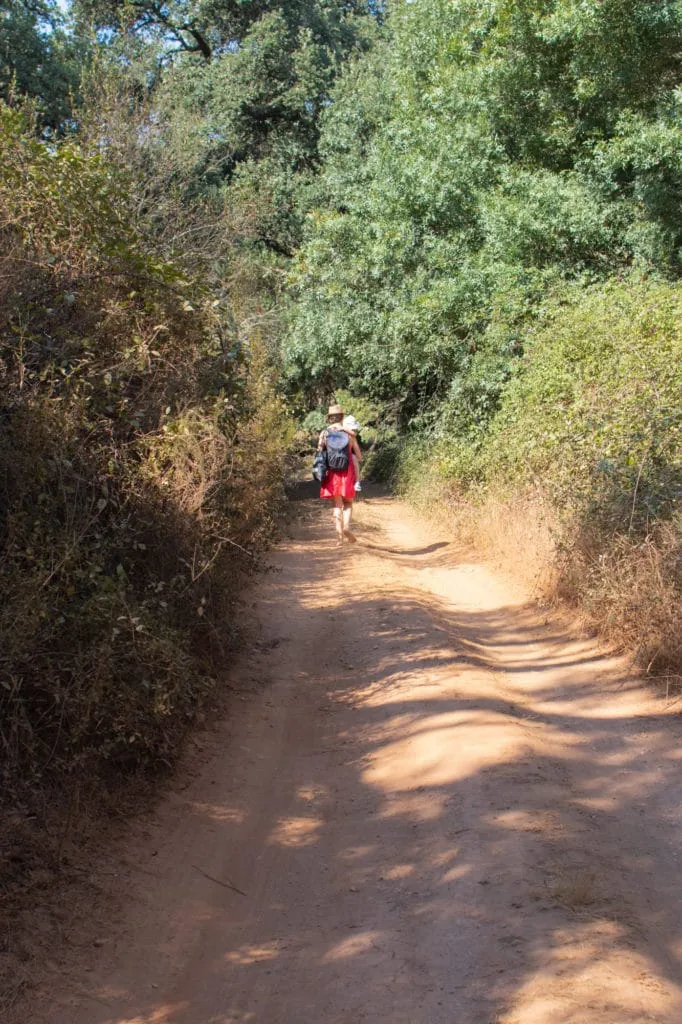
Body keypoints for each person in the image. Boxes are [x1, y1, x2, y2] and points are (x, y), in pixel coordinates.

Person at [317, 404, 362, 545]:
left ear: (329, 418)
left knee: (337, 505)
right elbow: (359, 456)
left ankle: (339, 539)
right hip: (347, 472)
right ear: (342, 417)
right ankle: (347, 528)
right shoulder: (348, 434)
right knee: (348, 503)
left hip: (332, 472)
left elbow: (319, 452)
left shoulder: (324, 433)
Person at [342, 414, 363, 492]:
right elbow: (359, 456)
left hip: (334, 462)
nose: (354, 431)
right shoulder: (352, 437)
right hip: (348, 461)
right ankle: (357, 482)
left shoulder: (335, 433)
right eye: (353, 429)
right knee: (354, 458)